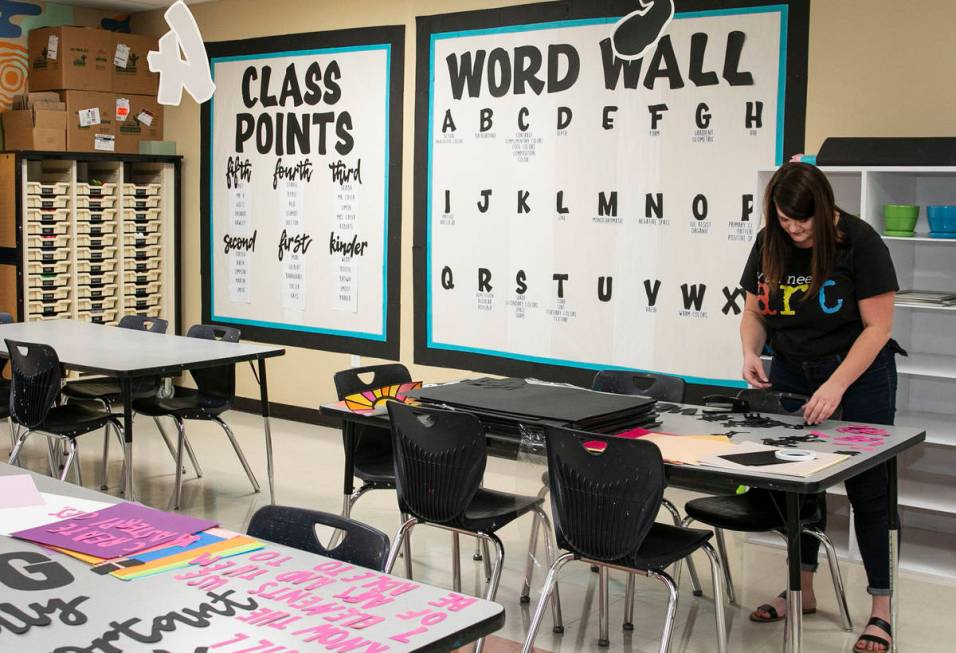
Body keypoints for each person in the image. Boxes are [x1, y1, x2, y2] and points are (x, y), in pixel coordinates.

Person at [739, 162, 902, 652]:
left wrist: (835, 386)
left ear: (827, 210)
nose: (793, 230)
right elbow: (753, 310)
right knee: (799, 486)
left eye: (803, 223)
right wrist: (750, 351)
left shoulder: (861, 242)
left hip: (858, 377)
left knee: (869, 492)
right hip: (793, 372)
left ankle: (881, 610)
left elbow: (878, 329)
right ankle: (801, 590)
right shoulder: (771, 239)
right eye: (786, 221)